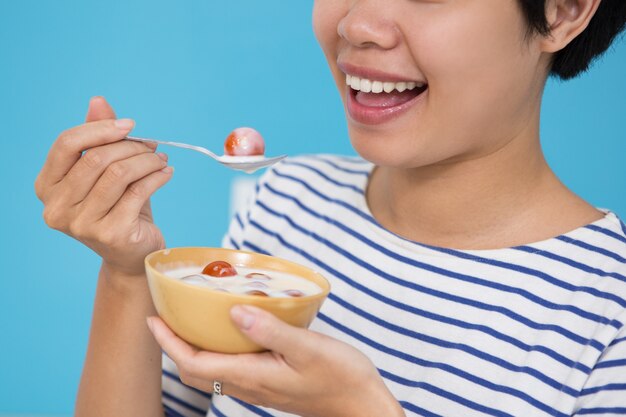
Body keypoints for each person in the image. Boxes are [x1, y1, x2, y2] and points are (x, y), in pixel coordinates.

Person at [35, 0, 626, 416]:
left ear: (562, 10)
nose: (357, 23)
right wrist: (124, 271)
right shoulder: (287, 198)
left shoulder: (608, 315)